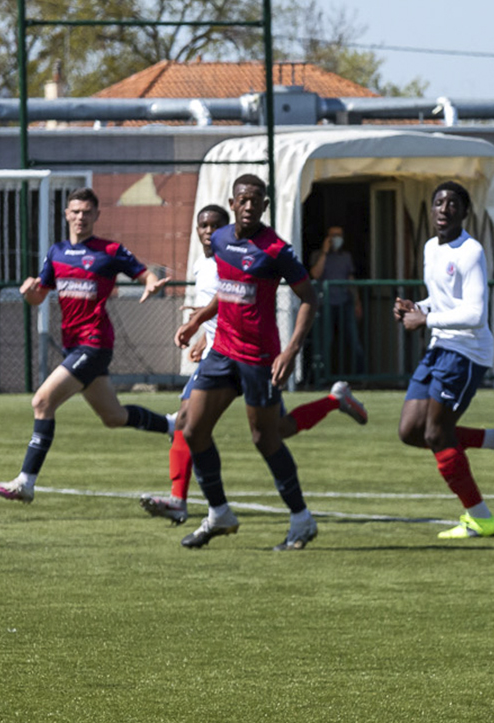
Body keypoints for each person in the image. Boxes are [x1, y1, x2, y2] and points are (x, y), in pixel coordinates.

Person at [138, 204, 369, 526]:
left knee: (274, 432)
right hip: (219, 356)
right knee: (189, 421)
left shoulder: (250, 252)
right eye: (202, 225)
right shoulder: (203, 265)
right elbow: (224, 301)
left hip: (252, 355)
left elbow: (242, 296)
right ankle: (183, 501)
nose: (208, 231)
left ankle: (334, 401)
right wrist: (203, 332)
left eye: (214, 225)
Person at [0, 187, 175, 504]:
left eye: (87, 212)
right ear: (66, 215)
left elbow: (144, 273)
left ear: (96, 215)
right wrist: (28, 291)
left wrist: (151, 283)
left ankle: (26, 482)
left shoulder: (110, 250)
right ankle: (173, 425)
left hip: (94, 343)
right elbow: (39, 296)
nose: (81, 217)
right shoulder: (56, 252)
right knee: (113, 416)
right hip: (73, 346)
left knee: (42, 402)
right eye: (75, 211)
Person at [171, 174, 321, 551]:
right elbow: (228, 291)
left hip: (259, 358)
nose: (250, 205)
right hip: (222, 352)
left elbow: (309, 298)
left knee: (265, 438)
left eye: (257, 200)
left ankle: (301, 520)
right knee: (192, 428)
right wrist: (198, 321)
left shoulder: (275, 250)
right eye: (244, 199)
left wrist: (291, 350)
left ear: (265, 206)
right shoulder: (221, 240)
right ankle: (219, 513)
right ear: (233, 203)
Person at [394, 180, 494, 539]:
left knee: (436, 433)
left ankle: (480, 517)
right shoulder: (430, 248)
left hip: (467, 351)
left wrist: (425, 319)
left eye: (453, 203)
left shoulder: (471, 251)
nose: (444, 208)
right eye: (438, 202)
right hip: (440, 347)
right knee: (409, 432)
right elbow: (444, 301)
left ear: (465, 213)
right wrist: (417, 307)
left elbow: (476, 314)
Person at [311, 225, 367, 376]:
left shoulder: (346, 257)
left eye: (339, 235)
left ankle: (361, 377)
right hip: (325, 305)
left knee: (354, 341)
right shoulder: (318, 255)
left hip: (345, 303)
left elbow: (351, 280)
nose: (337, 239)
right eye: (333, 235)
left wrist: (357, 302)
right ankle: (321, 377)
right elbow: (315, 274)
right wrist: (325, 252)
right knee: (325, 342)